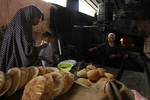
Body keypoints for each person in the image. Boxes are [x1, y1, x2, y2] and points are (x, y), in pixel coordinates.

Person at [0, 5, 46, 72]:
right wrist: (41, 47)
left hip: (8, 61)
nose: (39, 21)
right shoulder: (22, 27)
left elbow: (23, 46)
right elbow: (27, 51)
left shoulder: (19, 23)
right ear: (31, 15)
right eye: (38, 18)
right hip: (12, 65)